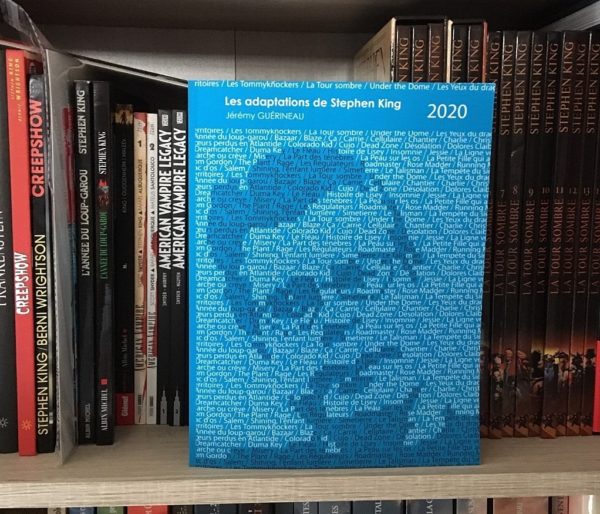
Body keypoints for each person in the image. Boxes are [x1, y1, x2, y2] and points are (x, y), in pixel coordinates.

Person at [196, 146, 481, 467]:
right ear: (255, 336)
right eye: (292, 302)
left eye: (360, 275)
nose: (336, 319)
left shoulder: (465, 443)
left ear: (414, 274)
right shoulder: (243, 464)